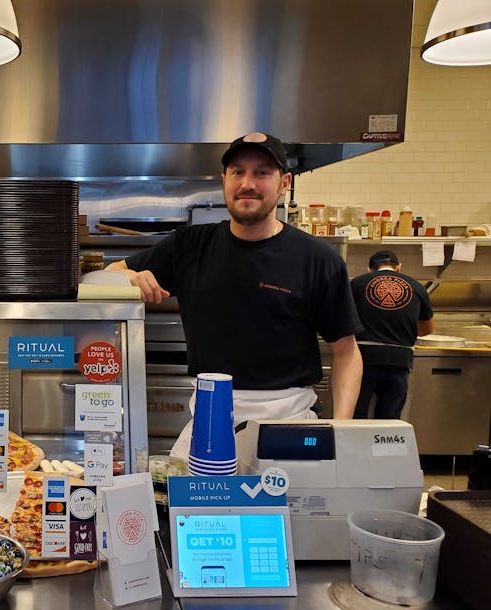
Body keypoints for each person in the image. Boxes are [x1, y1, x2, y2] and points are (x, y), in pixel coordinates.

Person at [105, 131, 363, 459]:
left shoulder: (318, 259)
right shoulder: (189, 245)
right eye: (238, 172)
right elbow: (107, 276)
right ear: (224, 179)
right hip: (208, 421)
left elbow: (346, 353)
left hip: (287, 423)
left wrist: (340, 429)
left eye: (262, 173)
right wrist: (129, 275)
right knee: (185, 510)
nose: (248, 183)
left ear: (284, 183)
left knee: (288, 512)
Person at [350, 249, 433, 419]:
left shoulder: (356, 284)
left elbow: (344, 319)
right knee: (389, 420)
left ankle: (355, 446)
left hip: (363, 358)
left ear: (369, 269)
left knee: (356, 415)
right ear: (398, 267)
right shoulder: (417, 287)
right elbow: (427, 329)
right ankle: (385, 446)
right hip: (400, 360)